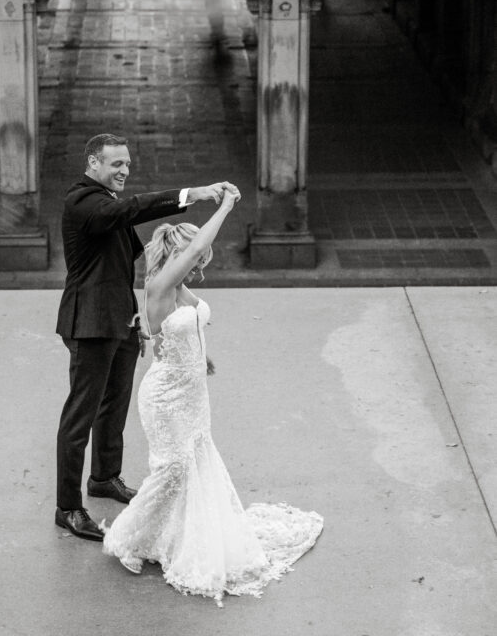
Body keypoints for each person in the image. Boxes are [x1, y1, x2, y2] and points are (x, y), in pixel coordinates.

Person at [102, 188, 323, 606]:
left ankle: (173, 535)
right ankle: (128, 537)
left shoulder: (179, 287)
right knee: (172, 469)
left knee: (194, 464)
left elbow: (178, 333)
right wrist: (224, 207)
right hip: (166, 397)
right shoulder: (160, 283)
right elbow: (200, 244)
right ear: (178, 254)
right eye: (195, 258)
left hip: (192, 392)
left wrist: (204, 359)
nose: (199, 264)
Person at [55, 132, 235, 541]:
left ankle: (104, 477)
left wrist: (145, 307)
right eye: (116, 163)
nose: (124, 170)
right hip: (89, 323)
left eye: (128, 164)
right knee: (80, 415)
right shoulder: (83, 201)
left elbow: (133, 256)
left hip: (121, 319)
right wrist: (195, 194)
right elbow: (136, 210)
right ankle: (67, 507)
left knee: (113, 405)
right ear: (92, 163)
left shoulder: (109, 205)